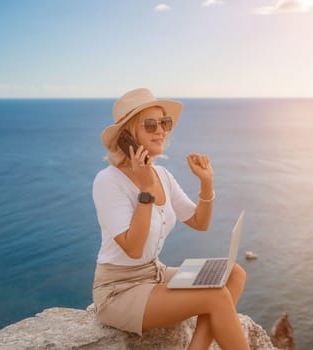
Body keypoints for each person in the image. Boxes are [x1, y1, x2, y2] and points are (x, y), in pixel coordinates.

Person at [91, 88, 250, 350]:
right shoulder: (108, 181)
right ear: (128, 136)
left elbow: (199, 222)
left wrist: (206, 183)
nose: (161, 130)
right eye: (150, 124)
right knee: (215, 295)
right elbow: (133, 248)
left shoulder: (162, 175)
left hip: (156, 274)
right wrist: (144, 192)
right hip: (119, 290)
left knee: (234, 274)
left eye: (164, 123)